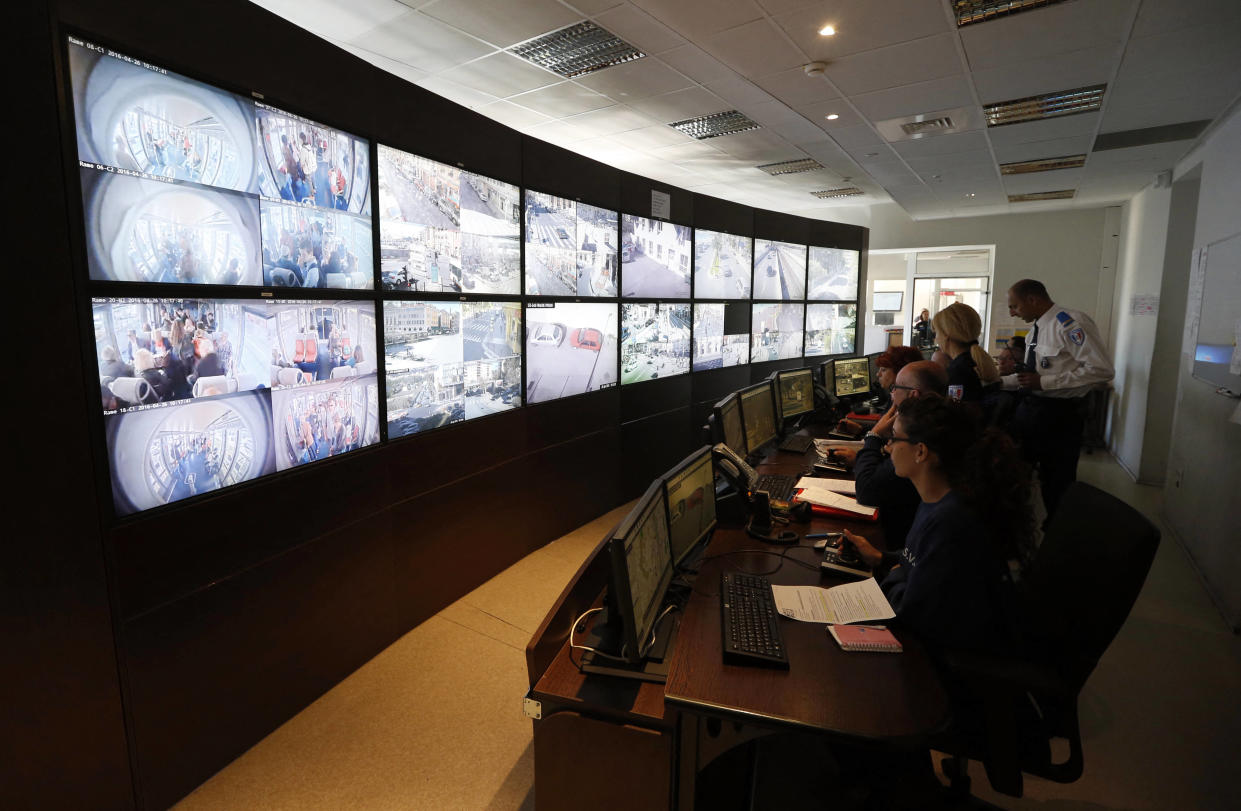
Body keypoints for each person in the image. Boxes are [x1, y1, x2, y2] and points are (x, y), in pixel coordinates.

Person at [842, 395, 1032, 652]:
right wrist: (882, 558)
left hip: (940, 663)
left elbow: (910, 612)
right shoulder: (938, 498)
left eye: (895, 438)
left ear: (921, 451)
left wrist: (895, 571)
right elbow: (923, 562)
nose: (887, 446)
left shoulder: (951, 521)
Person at [1003, 278, 1114, 518]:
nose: (1012, 313)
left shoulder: (1070, 323)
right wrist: (994, 380)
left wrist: (1045, 383)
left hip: (1059, 416)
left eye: (1015, 307)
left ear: (1032, 299)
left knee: (1057, 483)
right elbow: (1029, 376)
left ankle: (1057, 534)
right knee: (1015, 474)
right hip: (1032, 410)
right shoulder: (1036, 328)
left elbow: (1101, 369)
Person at [834, 361, 948, 549]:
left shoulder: (917, 438)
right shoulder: (940, 427)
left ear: (914, 395)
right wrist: (881, 560)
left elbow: (868, 491)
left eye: (896, 387)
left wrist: (874, 436)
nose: (891, 393)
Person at [931, 301, 999, 403]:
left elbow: (956, 412)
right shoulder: (977, 361)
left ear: (946, 335)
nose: (936, 339)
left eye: (936, 333)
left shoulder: (958, 371)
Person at [871, 345, 923, 411]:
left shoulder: (904, 401)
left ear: (900, 371)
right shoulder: (896, 394)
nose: (878, 374)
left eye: (883, 370)